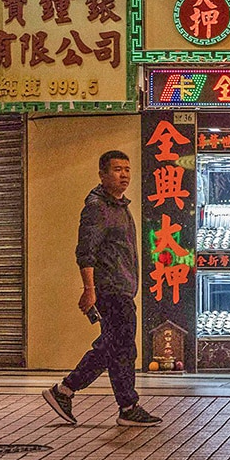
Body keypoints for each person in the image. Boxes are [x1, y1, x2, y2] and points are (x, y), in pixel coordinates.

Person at [42, 150, 161, 427]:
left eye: (127, 170)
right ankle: (120, 404)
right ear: (102, 174)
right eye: (118, 170)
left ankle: (72, 393)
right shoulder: (97, 207)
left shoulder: (119, 206)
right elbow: (85, 252)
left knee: (114, 348)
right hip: (110, 290)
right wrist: (89, 289)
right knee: (118, 347)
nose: (124, 175)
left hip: (122, 288)